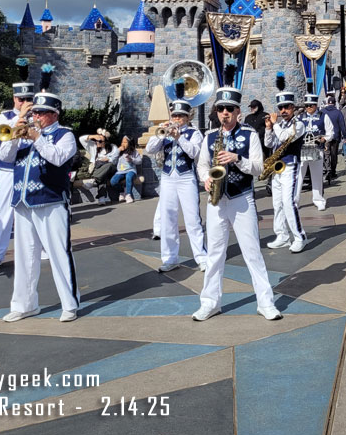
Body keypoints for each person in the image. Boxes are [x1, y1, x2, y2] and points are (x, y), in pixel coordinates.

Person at [192, 87, 282, 322]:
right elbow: (202, 165)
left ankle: (265, 302)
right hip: (217, 201)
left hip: (242, 198)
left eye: (229, 109)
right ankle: (210, 303)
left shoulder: (250, 134)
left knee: (252, 252)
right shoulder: (210, 136)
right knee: (214, 253)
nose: (224, 113)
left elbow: (259, 168)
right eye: (220, 109)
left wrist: (237, 158)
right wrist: (206, 179)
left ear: (237, 111)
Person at [0, 88, 81, 322]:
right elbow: (4, 156)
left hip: (51, 200)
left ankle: (69, 304)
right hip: (23, 202)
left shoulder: (65, 135)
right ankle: (24, 304)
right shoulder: (23, 132)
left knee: (59, 253)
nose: (37, 117)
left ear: (54, 114)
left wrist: (37, 138)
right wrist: (17, 127)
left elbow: (57, 157)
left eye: (42, 113)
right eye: (35, 113)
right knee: (25, 256)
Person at [145, 100, 208, 271]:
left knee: (193, 219)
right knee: (167, 219)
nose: (177, 118)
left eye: (181, 116)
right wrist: (160, 134)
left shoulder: (194, 133)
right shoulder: (163, 133)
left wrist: (179, 137)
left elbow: (195, 152)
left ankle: (202, 257)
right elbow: (150, 149)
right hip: (167, 178)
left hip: (186, 178)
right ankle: (170, 258)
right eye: (175, 115)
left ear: (188, 118)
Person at [0, 81, 35, 270]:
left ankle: (38, 251)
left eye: (28, 99)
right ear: (14, 98)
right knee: (5, 214)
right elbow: (2, 138)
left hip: (30, 169)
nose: (24, 102)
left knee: (33, 211)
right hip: (8, 169)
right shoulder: (4, 116)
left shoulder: (37, 116)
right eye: (21, 99)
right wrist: (20, 118)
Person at [264, 79, 308, 252]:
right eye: (280, 108)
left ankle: (299, 236)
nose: (283, 111)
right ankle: (282, 235)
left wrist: (274, 125)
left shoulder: (299, 124)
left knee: (289, 203)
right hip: (277, 169)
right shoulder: (279, 125)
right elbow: (269, 144)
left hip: (291, 166)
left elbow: (284, 137)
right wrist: (268, 128)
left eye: (286, 107)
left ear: (293, 108)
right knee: (277, 204)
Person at [297, 91, 334, 210]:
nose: (308, 108)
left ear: (315, 105)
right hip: (302, 150)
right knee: (299, 175)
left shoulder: (324, 116)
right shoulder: (300, 117)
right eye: (306, 105)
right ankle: (295, 200)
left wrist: (324, 139)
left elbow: (331, 132)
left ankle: (318, 199)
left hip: (317, 149)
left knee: (317, 175)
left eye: (311, 105)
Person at [79, 129, 120, 205]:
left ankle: (94, 180)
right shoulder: (93, 146)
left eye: (100, 141)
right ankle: (101, 198)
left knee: (108, 165)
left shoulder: (113, 147)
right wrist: (94, 136)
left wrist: (108, 159)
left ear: (106, 142)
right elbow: (81, 139)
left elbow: (115, 160)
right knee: (102, 175)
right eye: (97, 140)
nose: (98, 142)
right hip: (99, 170)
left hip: (111, 169)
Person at [321, 95, 346, 188]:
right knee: (334, 154)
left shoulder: (322, 112)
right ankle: (333, 171)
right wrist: (345, 135)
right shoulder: (338, 112)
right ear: (335, 103)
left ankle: (328, 169)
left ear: (327, 103)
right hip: (335, 136)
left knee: (326, 153)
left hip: (326, 136)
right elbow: (342, 125)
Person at [109, 137, 143, 203]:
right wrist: (118, 151)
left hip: (131, 170)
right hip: (120, 171)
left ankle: (128, 195)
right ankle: (122, 192)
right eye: (122, 142)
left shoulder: (133, 151)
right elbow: (113, 161)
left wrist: (132, 159)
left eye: (125, 142)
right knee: (113, 181)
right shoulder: (119, 152)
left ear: (129, 143)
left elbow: (139, 161)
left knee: (129, 177)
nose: (123, 144)